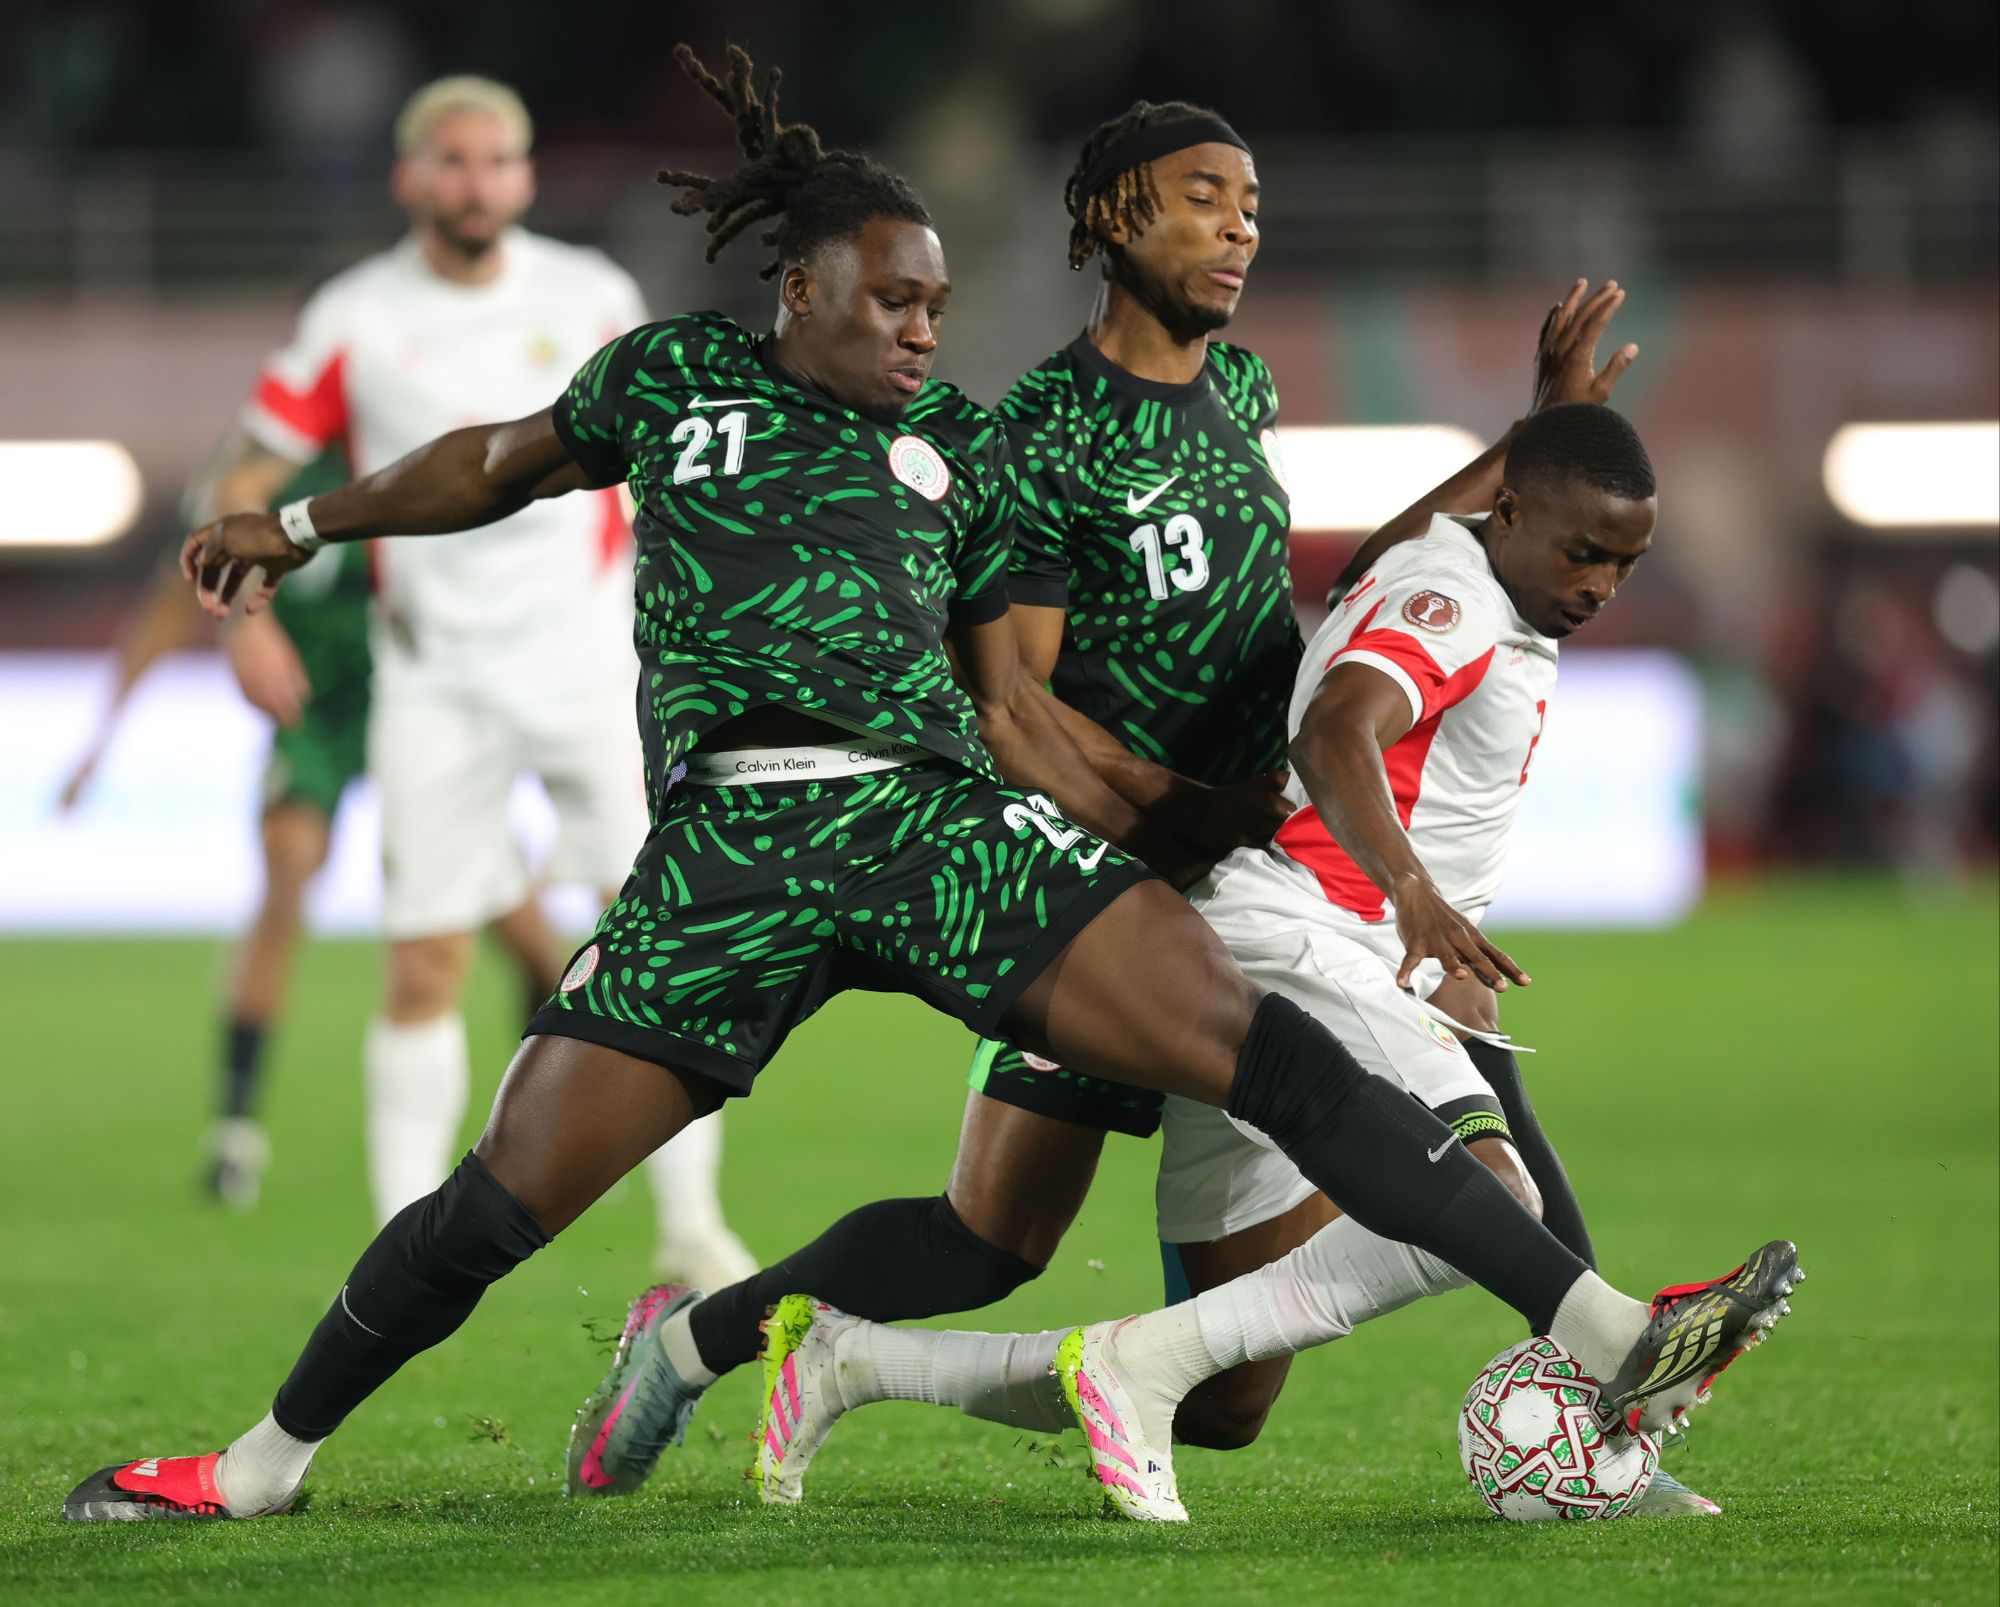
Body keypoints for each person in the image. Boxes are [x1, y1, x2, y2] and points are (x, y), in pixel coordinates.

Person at [62, 44, 1789, 1525]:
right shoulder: (673, 379)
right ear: (798, 287)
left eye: (938, 309)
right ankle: (263, 1462)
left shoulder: (963, 446)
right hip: (731, 851)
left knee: (1273, 1049)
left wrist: (1182, 807)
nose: (920, 331)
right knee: (496, 1201)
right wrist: (301, 522)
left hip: (931, 827)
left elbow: (1009, 692)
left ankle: (1606, 1331)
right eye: (892, 300)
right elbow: (496, 462)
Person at [568, 100, 1637, 1497]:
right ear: (1112, 218)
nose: (1240, 228)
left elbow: (1356, 580)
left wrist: (1533, 439)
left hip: (1248, 890)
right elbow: (1012, 699)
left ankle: (1601, 1398)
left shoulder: (1240, 387)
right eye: (1205, 197)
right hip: (1103, 893)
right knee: (983, 1239)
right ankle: (696, 1342)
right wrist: (1176, 805)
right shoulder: (1039, 433)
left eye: (1251, 205)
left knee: (1237, 1396)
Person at [750, 404, 1787, 1520]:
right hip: (1315, 936)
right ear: (1510, 513)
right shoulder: (1453, 605)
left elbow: (1376, 558)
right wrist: (1411, 891)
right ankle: (1612, 1347)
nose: (1601, 585)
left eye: (1624, 564)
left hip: (1312, 947)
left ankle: (853, 1363)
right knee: (1492, 1194)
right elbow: (1333, 728)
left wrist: (1532, 422)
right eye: (1583, 552)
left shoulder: (1442, 560)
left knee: (1227, 1399)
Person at [203, 73, 753, 1277]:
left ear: (525, 176)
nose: (474, 181)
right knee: (422, 962)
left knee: (656, 942)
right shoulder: (354, 314)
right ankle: (406, 1248)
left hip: (590, 665)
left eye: (495, 160)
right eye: (451, 160)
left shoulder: (590, 294)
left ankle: (689, 1223)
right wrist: (245, 621)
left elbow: (676, 455)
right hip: (433, 678)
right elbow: (246, 473)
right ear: (408, 176)